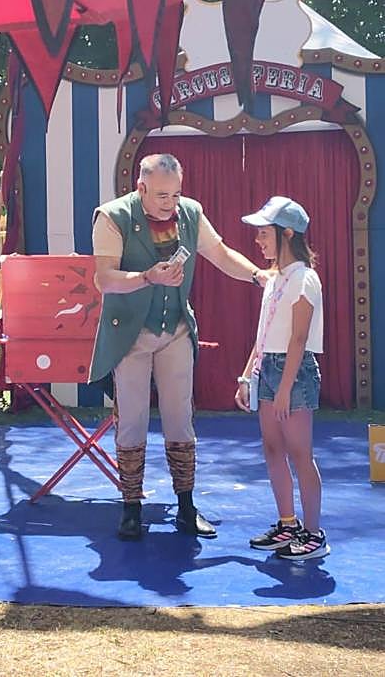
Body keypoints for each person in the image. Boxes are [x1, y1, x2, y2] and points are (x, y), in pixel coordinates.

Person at [90, 153, 269, 541]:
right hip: (130, 335)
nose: (169, 203)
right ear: (140, 188)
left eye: (174, 194)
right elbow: (104, 279)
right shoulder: (111, 216)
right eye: (160, 196)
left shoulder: (190, 213)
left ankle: (186, 507)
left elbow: (219, 254)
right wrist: (147, 277)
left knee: (180, 418)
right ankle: (131, 508)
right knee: (132, 420)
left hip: (175, 330)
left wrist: (257, 275)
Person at [235, 196, 329, 560]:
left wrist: (287, 385)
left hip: (295, 370)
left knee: (300, 453)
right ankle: (287, 524)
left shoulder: (305, 278)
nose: (258, 242)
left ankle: (313, 533)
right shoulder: (275, 279)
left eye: (264, 234)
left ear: (287, 233)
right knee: (273, 448)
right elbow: (265, 331)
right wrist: (247, 377)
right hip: (268, 368)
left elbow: (298, 338)